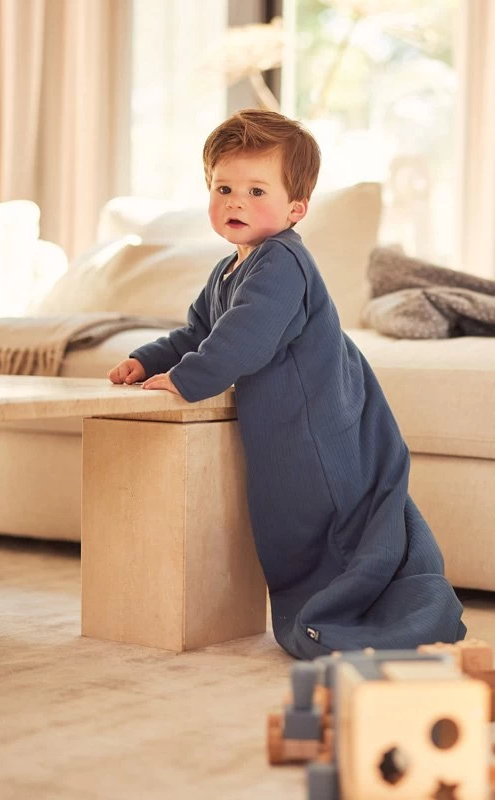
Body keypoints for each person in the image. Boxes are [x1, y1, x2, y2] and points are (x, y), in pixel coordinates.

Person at [108, 109, 466, 659]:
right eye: (224, 188)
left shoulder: (281, 261)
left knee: (330, 520)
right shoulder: (230, 268)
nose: (236, 202)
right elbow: (200, 331)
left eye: (256, 191)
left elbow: (244, 338)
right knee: (296, 525)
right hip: (290, 423)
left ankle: (355, 611)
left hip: (318, 422)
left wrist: (183, 381)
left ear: (296, 208)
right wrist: (148, 359)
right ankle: (330, 602)